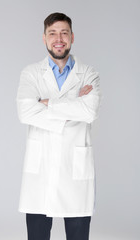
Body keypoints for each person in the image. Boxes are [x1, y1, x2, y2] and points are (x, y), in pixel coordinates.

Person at [16, 12, 102, 240]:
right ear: (43, 38)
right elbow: (25, 112)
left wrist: (46, 104)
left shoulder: (89, 74)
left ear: (72, 37)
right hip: (40, 174)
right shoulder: (31, 73)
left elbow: (89, 111)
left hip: (75, 174)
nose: (59, 38)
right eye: (52, 33)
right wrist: (74, 105)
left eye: (64, 33)